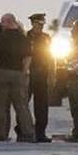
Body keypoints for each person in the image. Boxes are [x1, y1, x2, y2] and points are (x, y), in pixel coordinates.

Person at [0, 13, 35, 143]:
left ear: (7, 22)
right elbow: (28, 58)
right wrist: (24, 72)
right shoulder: (23, 38)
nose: (1, 25)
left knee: (0, 105)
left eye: (2, 22)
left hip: (2, 73)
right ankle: (28, 133)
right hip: (18, 74)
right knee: (22, 106)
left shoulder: (0, 38)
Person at [27, 13, 55, 143]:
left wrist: (52, 74)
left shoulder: (46, 38)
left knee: (42, 106)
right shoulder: (26, 37)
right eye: (38, 24)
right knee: (23, 104)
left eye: (42, 24)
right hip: (29, 73)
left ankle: (40, 133)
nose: (40, 27)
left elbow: (51, 57)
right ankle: (24, 131)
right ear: (32, 23)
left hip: (42, 74)